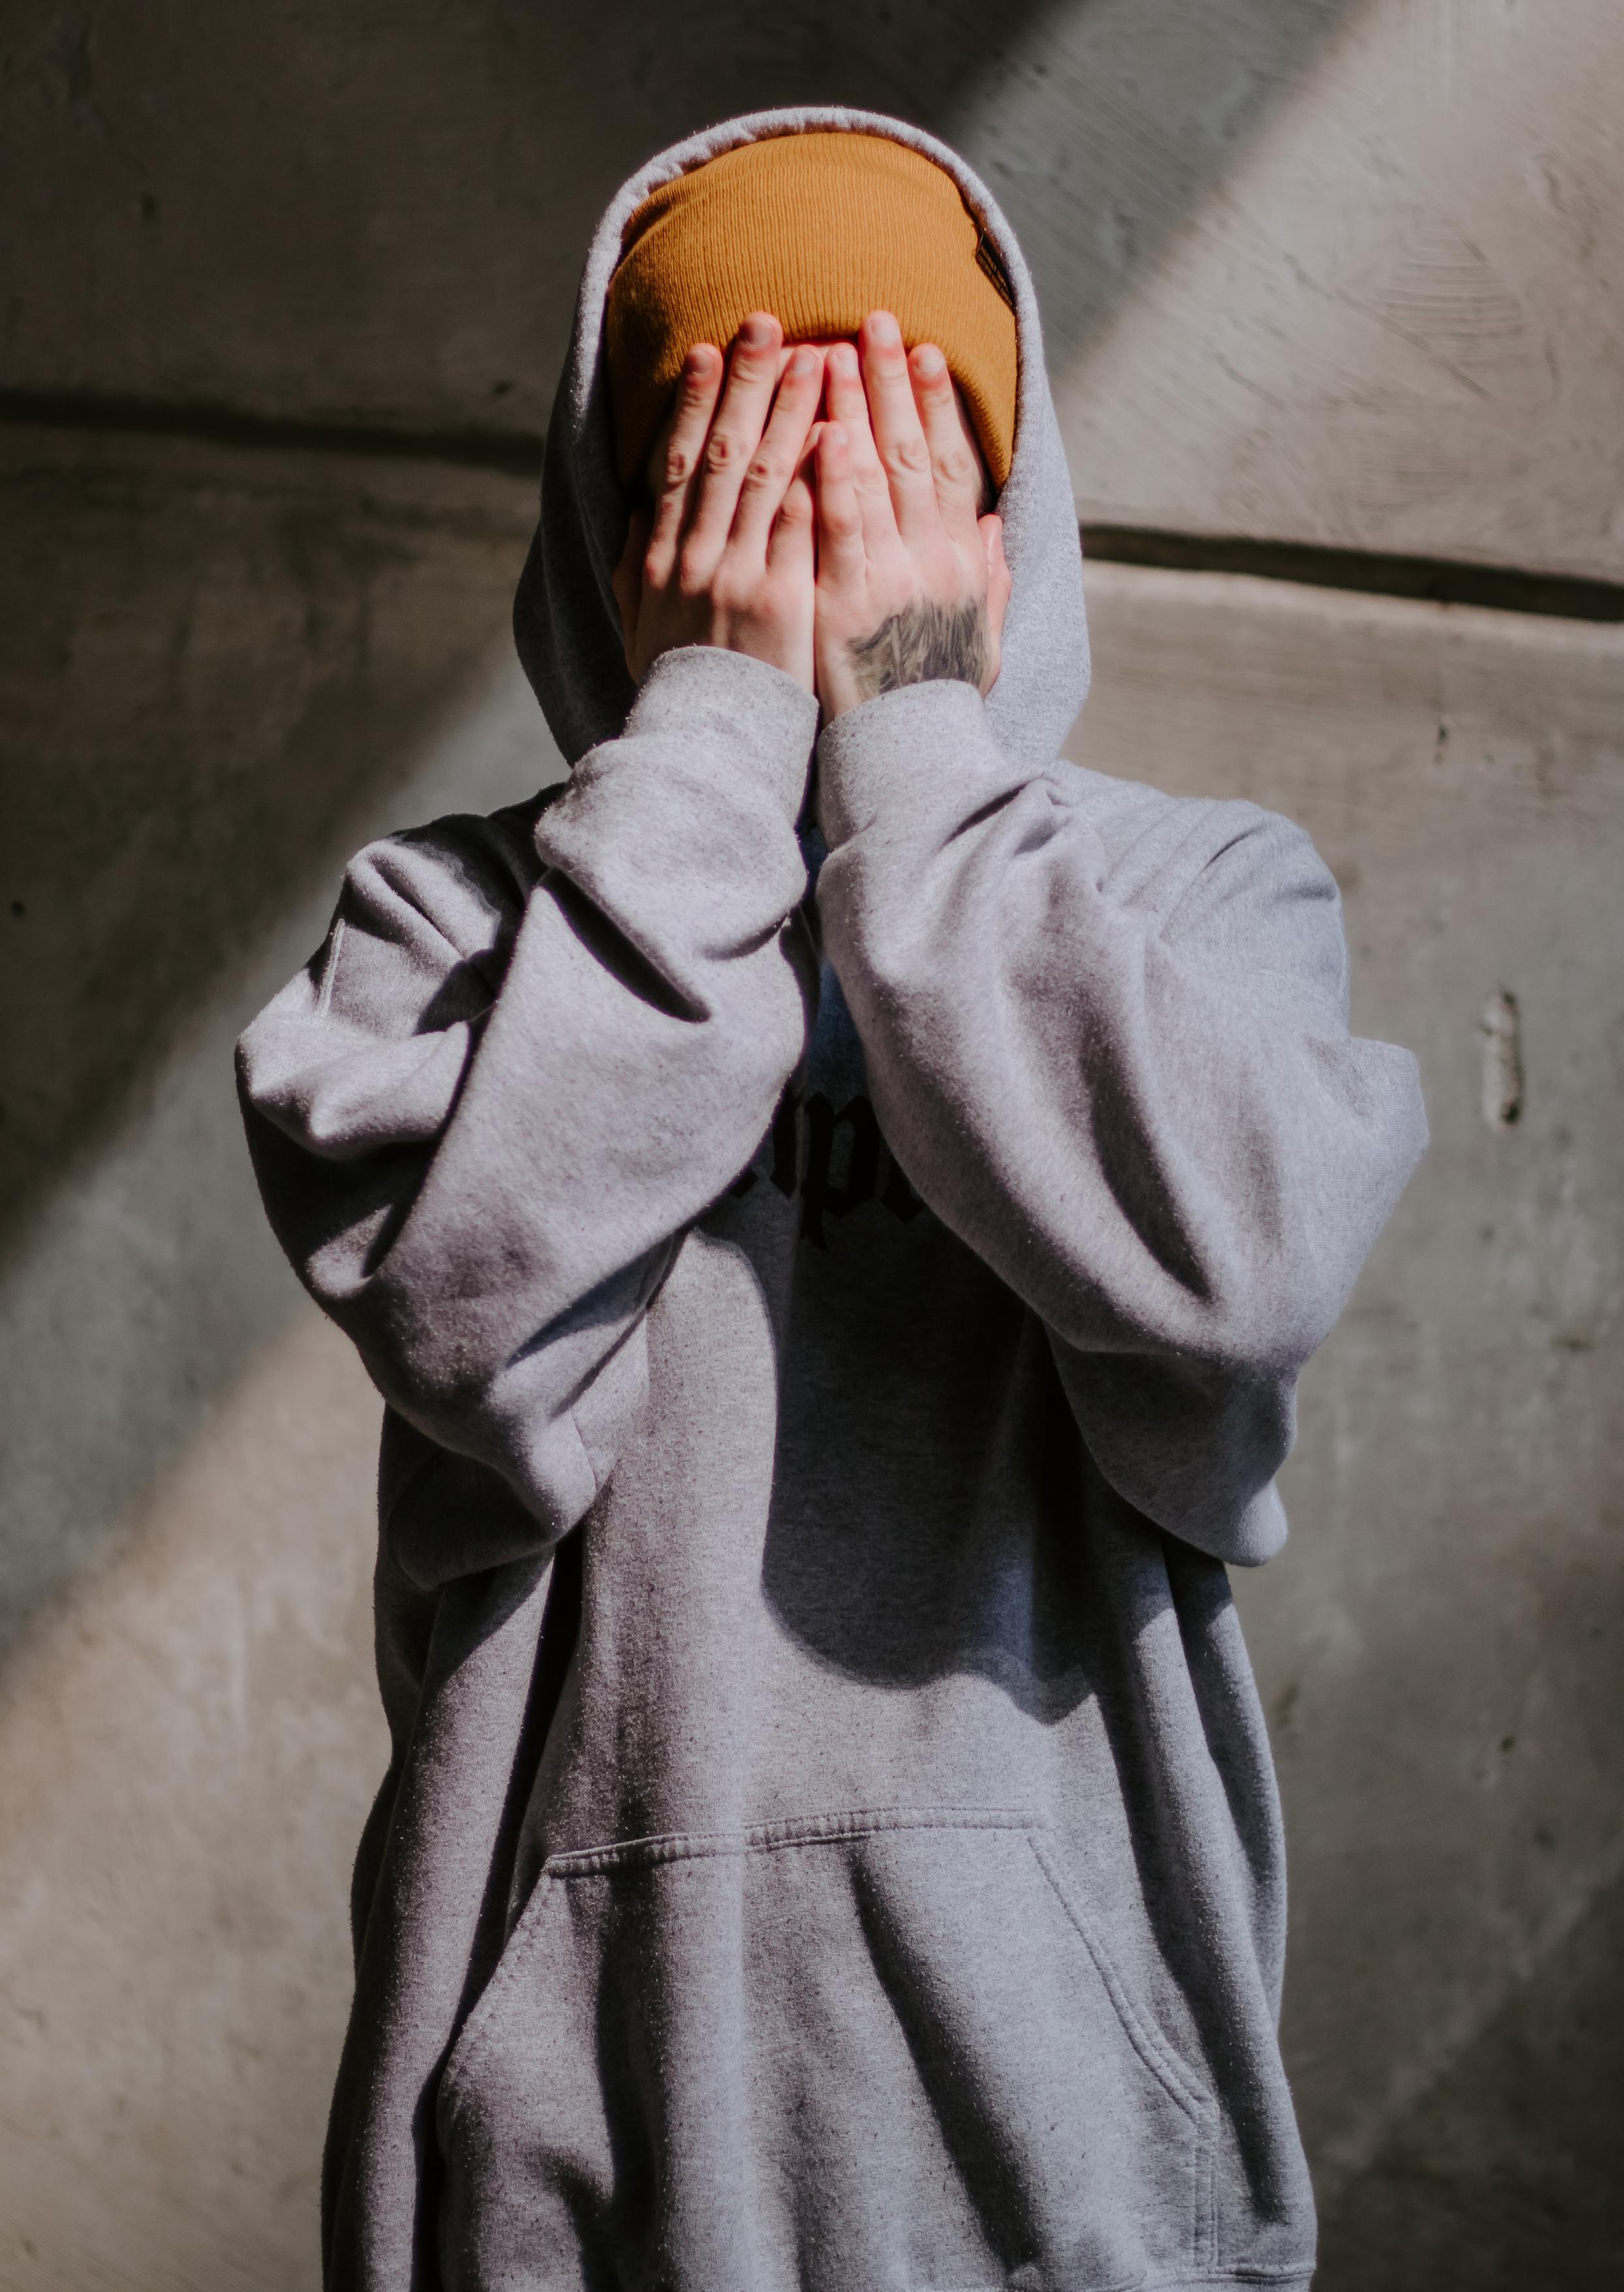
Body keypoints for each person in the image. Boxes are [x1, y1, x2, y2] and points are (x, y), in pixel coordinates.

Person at [238, 109, 1427, 2292]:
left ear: (999, 517)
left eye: (879, 454)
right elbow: (471, 1326)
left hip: (1075, 2157)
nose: (812, 520)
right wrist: (703, 738)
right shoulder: (444, 932)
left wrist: (912, 765)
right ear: (622, 523)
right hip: (555, 2163)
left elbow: (1228, 1275)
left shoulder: (1191, 899)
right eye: (734, 455)